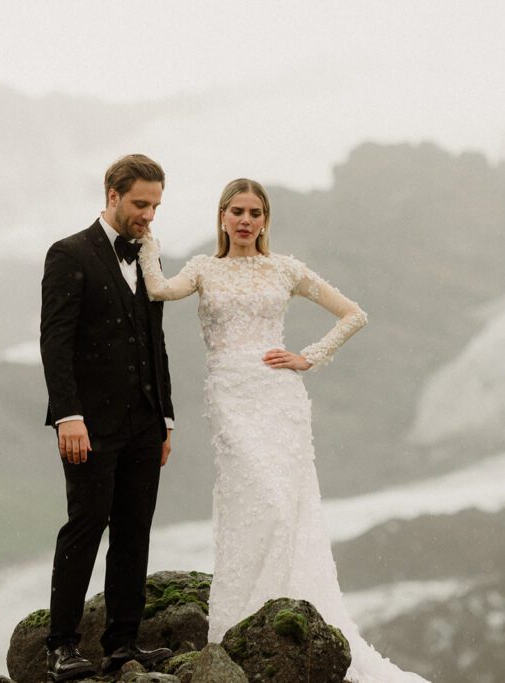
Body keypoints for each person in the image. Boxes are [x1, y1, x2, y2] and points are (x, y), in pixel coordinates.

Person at [137, 178, 429, 682]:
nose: (246, 220)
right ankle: (240, 622)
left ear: (265, 219)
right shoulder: (205, 269)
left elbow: (353, 315)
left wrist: (307, 358)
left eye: (255, 212)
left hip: (279, 397)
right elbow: (161, 289)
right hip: (229, 395)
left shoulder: (285, 269)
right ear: (223, 217)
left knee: (284, 508)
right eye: (236, 211)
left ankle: (285, 617)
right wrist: (147, 245)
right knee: (256, 502)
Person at [39, 154, 175, 682]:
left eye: (156, 205)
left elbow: (154, 342)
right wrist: (67, 416)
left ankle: (123, 644)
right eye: (141, 203)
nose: (148, 215)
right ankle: (60, 646)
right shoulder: (68, 253)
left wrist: (165, 417)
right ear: (113, 195)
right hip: (89, 425)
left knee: (135, 531)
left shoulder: (149, 256)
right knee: (86, 526)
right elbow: (56, 340)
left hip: (144, 423)